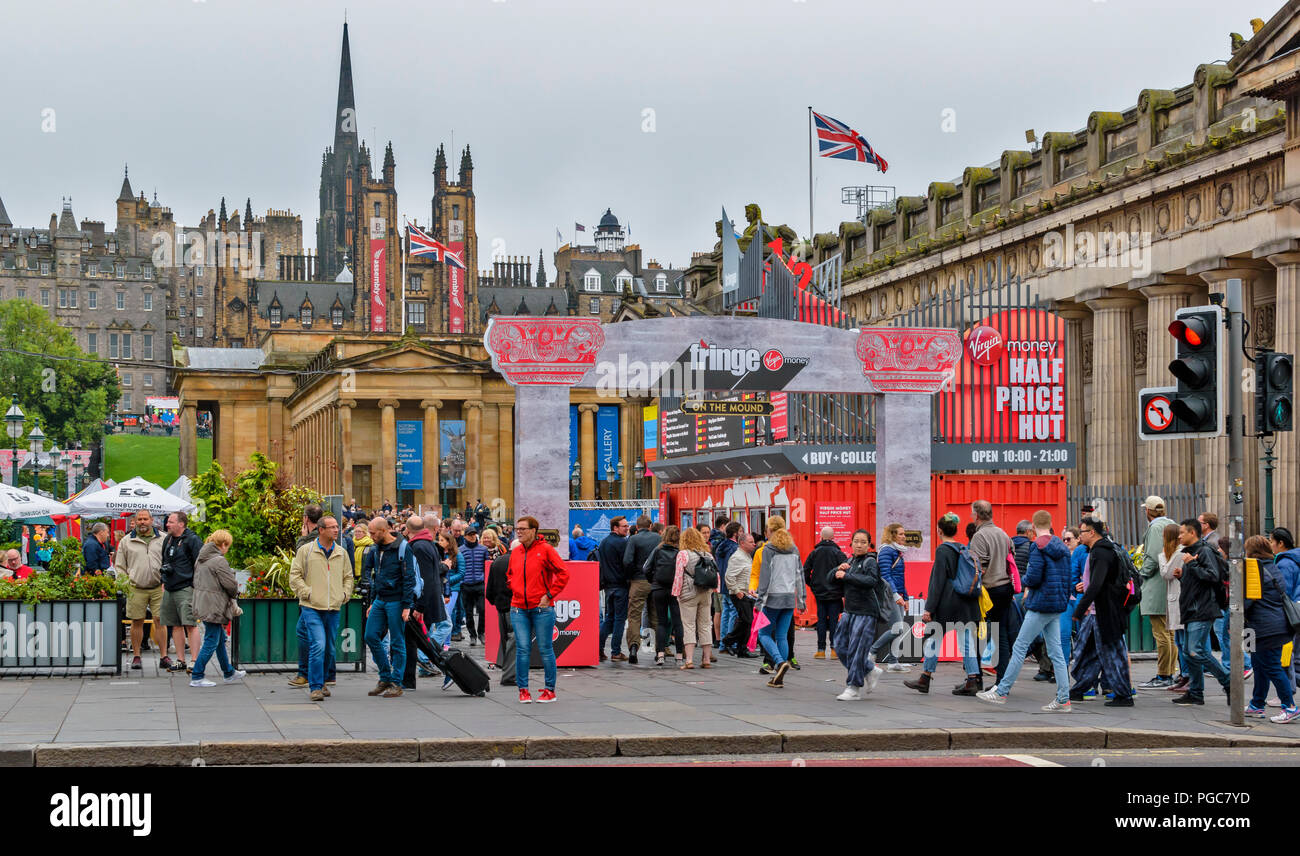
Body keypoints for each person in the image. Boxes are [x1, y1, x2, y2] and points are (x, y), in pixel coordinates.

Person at [977, 510, 1072, 711]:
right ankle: (1063, 698)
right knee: (1056, 652)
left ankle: (1001, 691)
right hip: (1057, 604)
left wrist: (1020, 582)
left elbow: (1034, 577)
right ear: (1050, 523)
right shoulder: (1062, 548)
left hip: (1040, 604)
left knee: (1019, 647)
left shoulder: (1037, 547)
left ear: (1034, 527)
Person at [905, 513, 981, 694]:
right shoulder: (962, 548)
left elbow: (937, 582)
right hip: (966, 603)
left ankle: (925, 678)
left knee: (934, 639)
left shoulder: (942, 550)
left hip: (948, 603)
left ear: (939, 530)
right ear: (955, 530)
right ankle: (972, 680)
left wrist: (929, 608)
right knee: (966, 642)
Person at [1068, 517, 1134, 707]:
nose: (1079, 535)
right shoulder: (1097, 550)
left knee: (1112, 654)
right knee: (1089, 652)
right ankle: (1079, 689)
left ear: (1092, 533)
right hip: (1097, 611)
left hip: (1105, 612)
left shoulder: (1102, 552)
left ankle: (1124, 695)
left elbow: (1097, 584)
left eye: (1082, 531)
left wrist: (1079, 610)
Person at [288, 516, 353, 700]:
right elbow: (295, 575)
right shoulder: (306, 551)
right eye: (332, 527)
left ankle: (323, 681)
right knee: (318, 644)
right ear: (321, 529)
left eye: (337, 527)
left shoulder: (341, 552)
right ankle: (315, 687)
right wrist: (306, 592)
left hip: (333, 606)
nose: (336, 530)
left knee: (329, 648)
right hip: (311, 606)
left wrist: (344, 595)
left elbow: (348, 576)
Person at [508, 516, 570, 703]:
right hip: (518, 607)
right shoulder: (516, 552)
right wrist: (514, 587)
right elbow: (510, 574)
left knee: (545, 649)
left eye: (523, 529)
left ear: (534, 531)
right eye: (517, 529)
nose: (519, 532)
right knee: (523, 649)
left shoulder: (546, 550)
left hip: (542, 608)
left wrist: (549, 594)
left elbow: (563, 573)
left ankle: (549, 690)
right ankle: (523, 690)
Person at [1171, 517, 1232, 706]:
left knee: (1196, 651)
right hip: (1191, 608)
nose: (1179, 536)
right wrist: (1183, 575)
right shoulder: (1191, 552)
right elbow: (1197, 582)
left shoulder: (1204, 551)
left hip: (1202, 609)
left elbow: (1212, 576)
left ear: (1192, 533)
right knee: (1190, 653)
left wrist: (1192, 564)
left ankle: (1229, 681)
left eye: (1182, 533)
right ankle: (1196, 693)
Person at [1239, 535, 1299, 722]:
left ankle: (1290, 707)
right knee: (1259, 665)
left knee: (1272, 667)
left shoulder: (1256, 570)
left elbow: (1248, 600)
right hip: (1267, 626)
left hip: (1265, 627)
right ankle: (1257, 704)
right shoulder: (1271, 566)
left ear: (1252, 551)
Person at [361, 516, 417, 699]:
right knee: (370, 636)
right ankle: (385, 676)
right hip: (381, 598)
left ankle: (396, 682)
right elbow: (376, 575)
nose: (370, 536)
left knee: (397, 642)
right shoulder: (376, 549)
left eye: (373, 533)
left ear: (384, 531)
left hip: (396, 600)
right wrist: (372, 601)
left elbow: (409, 577)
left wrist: (407, 605)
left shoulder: (403, 547)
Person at [832, 529, 888, 700]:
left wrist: (847, 576)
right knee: (839, 645)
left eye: (863, 542)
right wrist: (837, 570)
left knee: (856, 650)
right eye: (856, 541)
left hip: (866, 612)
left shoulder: (870, 562)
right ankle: (869, 669)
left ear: (868, 544)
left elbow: (871, 581)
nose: (859, 545)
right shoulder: (849, 561)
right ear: (851, 543)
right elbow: (830, 578)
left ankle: (853, 687)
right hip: (849, 610)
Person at [189, 529, 247, 688]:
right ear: (223, 544)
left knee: (220, 639)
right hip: (213, 604)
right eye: (228, 546)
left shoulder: (201, 558)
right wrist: (235, 592)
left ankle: (228, 672)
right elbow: (230, 584)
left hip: (202, 601)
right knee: (211, 640)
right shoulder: (218, 561)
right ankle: (197, 675)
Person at [755, 516, 804, 688]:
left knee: (764, 634)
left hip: (772, 599)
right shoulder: (793, 548)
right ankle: (779, 674)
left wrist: (760, 600)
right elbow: (800, 575)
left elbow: (765, 577)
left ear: (769, 530)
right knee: (782, 635)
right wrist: (801, 599)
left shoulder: (768, 549)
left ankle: (778, 662)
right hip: (789, 598)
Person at [969, 500, 1013, 684]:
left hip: (988, 591)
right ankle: (1002, 681)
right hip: (1005, 588)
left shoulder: (979, 536)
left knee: (978, 634)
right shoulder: (1003, 534)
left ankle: (975, 678)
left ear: (976, 515)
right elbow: (1012, 560)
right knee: (1000, 633)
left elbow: (978, 567)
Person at [1136, 496, 1178, 688]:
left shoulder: (1154, 528)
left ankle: (1163, 675)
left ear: (1148, 511)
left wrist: (1140, 574)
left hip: (1155, 585)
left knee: (1160, 633)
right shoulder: (1171, 524)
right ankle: (1170, 672)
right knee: (1169, 633)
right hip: (1170, 583)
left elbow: (1152, 556)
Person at [115, 510, 164, 670]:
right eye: (139, 519)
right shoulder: (126, 541)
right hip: (136, 587)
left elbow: (170, 562)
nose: (142, 522)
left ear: (152, 520)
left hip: (159, 587)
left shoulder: (163, 539)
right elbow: (120, 566)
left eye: (145, 519)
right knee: (137, 622)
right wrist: (125, 584)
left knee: (160, 621)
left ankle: (164, 656)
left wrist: (167, 582)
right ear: (135, 522)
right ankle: (136, 656)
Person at [403, 515, 446, 689]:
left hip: (422, 604)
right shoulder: (427, 544)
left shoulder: (419, 547)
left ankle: (408, 680)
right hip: (426, 602)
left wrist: (420, 606)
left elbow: (423, 579)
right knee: (420, 641)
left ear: (408, 530)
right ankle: (447, 667)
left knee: (413, 641)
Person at [159, 511, 203, 673]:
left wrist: (195, 586)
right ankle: (180, 660)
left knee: (190, 624)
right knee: (175, 625)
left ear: (181, 524)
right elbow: (165, 561)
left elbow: (200, 564)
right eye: (168, 522)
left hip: (186, 587)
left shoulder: (192, 540)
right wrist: (163, 580)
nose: (167, 524)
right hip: (169, 587)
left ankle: (194, 660)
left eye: (171, 522)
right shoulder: (168, 539)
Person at [674, 526, 717, 669]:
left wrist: (676, 593)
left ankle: (689, 660)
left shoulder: (683, 554)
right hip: (705, 592)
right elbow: (716, 574)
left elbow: (679, 576)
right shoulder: (708, 554)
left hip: (688, 594)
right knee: (705, 625)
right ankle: (706, 659)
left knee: (689, 625)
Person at [872, 523, 911, 673]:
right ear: (892, 535)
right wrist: (896, 595)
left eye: (904, 534)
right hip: (889, 594)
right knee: (897, 628)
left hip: (896, 594)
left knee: (898, 629)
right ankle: (871, 651)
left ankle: (893, 662)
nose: (904, 537)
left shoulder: (896, 552)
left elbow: (900, 577)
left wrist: (905, 597)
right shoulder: (887, 551)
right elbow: (886, 576)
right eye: (900, 534)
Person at [804, 526, 847, 660]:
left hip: (819, 592)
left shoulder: (814, 553)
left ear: (821, 537)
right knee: (834, 621)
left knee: (821, 620)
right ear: (833, 538)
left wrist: (812, 584)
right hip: (835, 593)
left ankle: (820, 650)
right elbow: (847, 570)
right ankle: (834, 650)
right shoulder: (838, 553)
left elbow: (805, 571)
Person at [622, 515, 661, 664]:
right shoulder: (658, 539)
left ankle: (633, 647)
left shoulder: (634, 539)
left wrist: (631, 575)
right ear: (650, 526)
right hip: (656, 581)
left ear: (637, 527)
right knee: (656, 616)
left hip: (638, 581)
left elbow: (627, 561)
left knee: (634, 615)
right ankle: (660, 651)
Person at [1158, 524, 1189, 693]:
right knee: (1179, 640)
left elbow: (1166, 573)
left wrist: (1162, 556)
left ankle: (1187, 675)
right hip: (1176, 601)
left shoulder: (1177, 553)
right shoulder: (1176, 553)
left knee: (1182, 642)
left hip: (1179, 602)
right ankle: (1184, 675)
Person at [649, 526, 686, 667]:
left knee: (661, 622)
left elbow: (646, 568)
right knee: (678, 622)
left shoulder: (657, 550)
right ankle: (679, 656)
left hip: (658, 588)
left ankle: (660, 655)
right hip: (675, 589)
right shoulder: (680, 552)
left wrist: (653, 581)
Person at [1269, 527, 1300, 696]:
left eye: (1272, 541)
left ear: (1281, 543)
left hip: (1291, 614)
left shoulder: (1285, 563)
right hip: (1298, 610)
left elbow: (1283, 591)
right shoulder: (1296, 558)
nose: (1271, 545)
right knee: (1295, 655)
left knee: (1286, 654)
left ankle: (1288, 691)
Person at [597, 516, 630, 662]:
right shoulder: (622, 543)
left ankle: (598, 648)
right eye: (624, 526)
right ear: (615, 528)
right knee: (619, 619)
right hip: (620, 585)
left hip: (608, 586)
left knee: (609, 618)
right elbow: (627, 563)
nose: (627, 528)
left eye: (627, 525)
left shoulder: (603, 542)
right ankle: (616, 651)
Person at [485, 534, 516, 686]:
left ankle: (507, 669)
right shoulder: (518, 562)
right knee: (514, 640)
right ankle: (510, 675)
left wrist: (496, 601)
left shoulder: (497, 561)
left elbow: (489, 590)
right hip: (515, 606)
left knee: (506, 639)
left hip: (501, 607)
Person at [721, 532, 757, 657]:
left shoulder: (747, 556)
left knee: (746, 621)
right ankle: (727, 641)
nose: (754, 544)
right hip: (739, 593)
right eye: (751, 542)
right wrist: (737, 591)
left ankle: (742, 649)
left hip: (748, 593)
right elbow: (729, 576)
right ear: (742, 543)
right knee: (746, 620)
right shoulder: (737, 557)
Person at [458, 527, 490, 646]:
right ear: (465, 536)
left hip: (480, 584)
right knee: (468, 612)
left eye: (474, 534)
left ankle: (481, 632)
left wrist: (485, 581)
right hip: (466, 585)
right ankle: (472, 635)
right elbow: (458, 567)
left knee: (483, 610)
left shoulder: (483, 549)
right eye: (470, 535)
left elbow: (487, 566)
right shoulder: (460, 550)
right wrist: (461, 581)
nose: (472, 536)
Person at [714, 522, 742, 653]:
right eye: (741, 531)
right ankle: (731, 642)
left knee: (726, 612)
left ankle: (723, 644)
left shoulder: (721, 545)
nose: (743, 533)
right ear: (736, 533)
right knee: (734, 612)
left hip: (723, 584)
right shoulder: (734, 548)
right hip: (731, 584)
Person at [430, 530, 460, 649]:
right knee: (442, 623)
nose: (439, 542)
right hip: (436, 592)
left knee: (445, 621)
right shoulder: (436, 552)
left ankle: (441, 645)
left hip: (448, 590)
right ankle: (427, 653)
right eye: (439, 539)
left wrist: (447, 593)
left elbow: (459, 573)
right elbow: (439, 574)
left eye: (442, 540)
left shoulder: (455, 555)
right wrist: (444, 567)